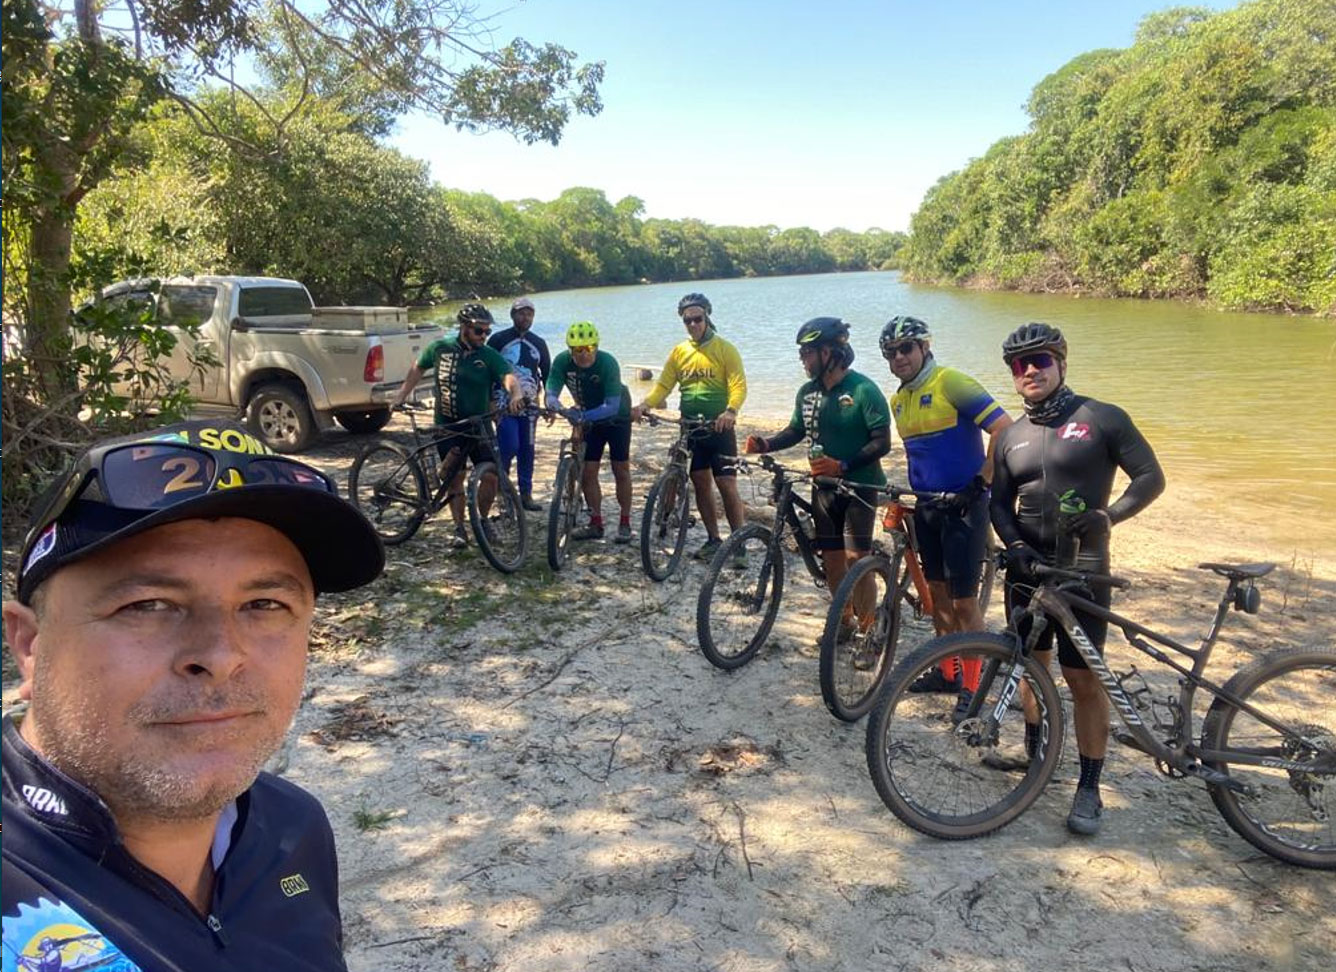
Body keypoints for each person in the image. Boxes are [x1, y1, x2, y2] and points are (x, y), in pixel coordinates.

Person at [2, 419, 386, 971]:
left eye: (264, 605)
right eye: (148, 604)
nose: (221, 654)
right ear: (31, 645)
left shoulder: (293, 826)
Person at [991, 322, 1165, 836]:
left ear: (1061, 362)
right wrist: (1015, 546)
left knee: (1084, 679)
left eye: (1039, 361)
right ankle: (1036, 756)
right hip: (1027, 568)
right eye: (1019, 366)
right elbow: (999, 503)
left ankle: (1089, 784)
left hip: (1084, 570)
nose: (1029, 372)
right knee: (1029, 666)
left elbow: (1151, 477)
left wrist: (1111, 516)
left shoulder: (1102, 418)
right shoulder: (1009, 437)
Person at [880, 316, 1012, 712]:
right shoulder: (898, 399)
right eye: (890, 352)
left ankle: (973, 687)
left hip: (965, 506)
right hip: (928, 506)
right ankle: (949, 672)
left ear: (924, 347)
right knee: (936, 597)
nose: (898, 357)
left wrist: (981, 482)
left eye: (906, 348)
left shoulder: (950, 382)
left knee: (964, 603)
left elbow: (1004, 427)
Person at [744, 317, 891, 617]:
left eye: (807, 353)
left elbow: (882, 442)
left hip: (860, 488)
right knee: (833, 559)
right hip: (823, 487)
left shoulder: (864, 389)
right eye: (801, 354)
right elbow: (796, 430)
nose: (802, 360)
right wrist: (766, 444)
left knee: (857, 559)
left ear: (829, 353)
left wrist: (843, 465)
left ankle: (868, 630)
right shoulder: (807, 393)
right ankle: (844, 620)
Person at [391, 303, 524, 548]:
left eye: (487, 332)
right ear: (464, 328)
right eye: (478, 331)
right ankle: (459, 527)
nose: (484, 336)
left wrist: (515, 395)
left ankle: (483, 520)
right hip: (447, 426)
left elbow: (508, 377)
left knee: (492, 477)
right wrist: (401, 395)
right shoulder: (440, 348)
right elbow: (418, 367)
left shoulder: (488, 356)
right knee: (456, 478)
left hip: (479, 426)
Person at [630, 293, 747, 561]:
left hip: (719, 428)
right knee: (700, 482)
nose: (693, 325)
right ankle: (714, 539)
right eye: (688, 321)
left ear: (707, 317)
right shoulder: (679, 352)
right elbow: (663, 386)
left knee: (727, 483)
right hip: (691, 427)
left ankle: (739, 544)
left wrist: (731, 410)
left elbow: (739, 385)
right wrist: (645, 404)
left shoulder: (724, 349)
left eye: (698, 319)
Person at [545, 321, 635, 543]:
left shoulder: (608, 362)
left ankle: (625, 521)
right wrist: (560, 408)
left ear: (596, 346)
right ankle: (596, 522)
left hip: (617, 419)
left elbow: (612, 405)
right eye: (578, 349)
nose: (584, 354)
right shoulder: (562, 362)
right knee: (588, 472)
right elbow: (551, 393)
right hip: (589, 419)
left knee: (620, 468)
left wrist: (582, 416)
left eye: (589, 348)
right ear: (570, 349)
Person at [489, 297, 551, 512]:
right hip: (503, 404)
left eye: (529, 314)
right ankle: (502, 491)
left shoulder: (539, 343)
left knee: (527, 449)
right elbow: (488, 371)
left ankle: (525, 493)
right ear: (512, 315)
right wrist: (490, 403)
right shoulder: (498, 340)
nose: (525, 317)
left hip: (530, 406)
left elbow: (547, 375)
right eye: (521, 313)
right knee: (508, 446)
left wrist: (548, 402)